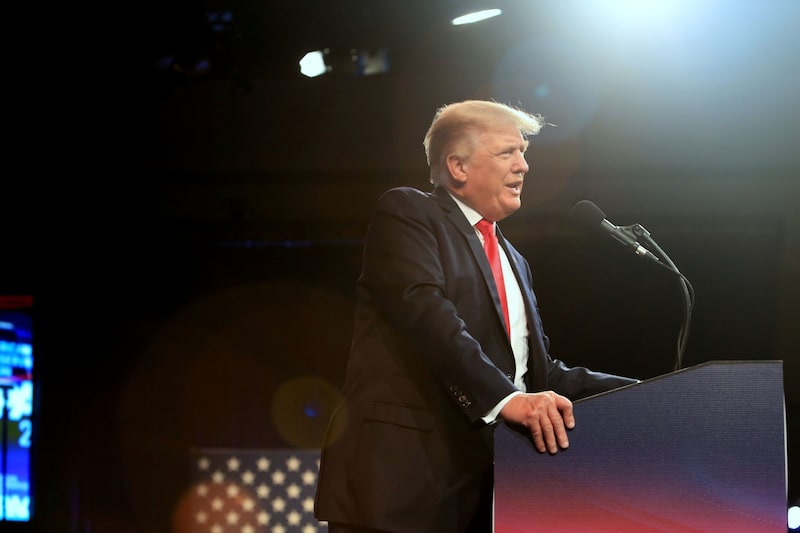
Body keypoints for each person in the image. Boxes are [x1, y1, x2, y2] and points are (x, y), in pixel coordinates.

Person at [313, 99, 638, 533]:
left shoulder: (514, 260)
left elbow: (533, 377)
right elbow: (430, 318)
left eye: (524, 153)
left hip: (489, 496)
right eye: (508, 152)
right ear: (458, 166)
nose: (523, 166)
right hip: (400, 489)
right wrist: (507, 400)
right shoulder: (410, 214)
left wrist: (646, 393)